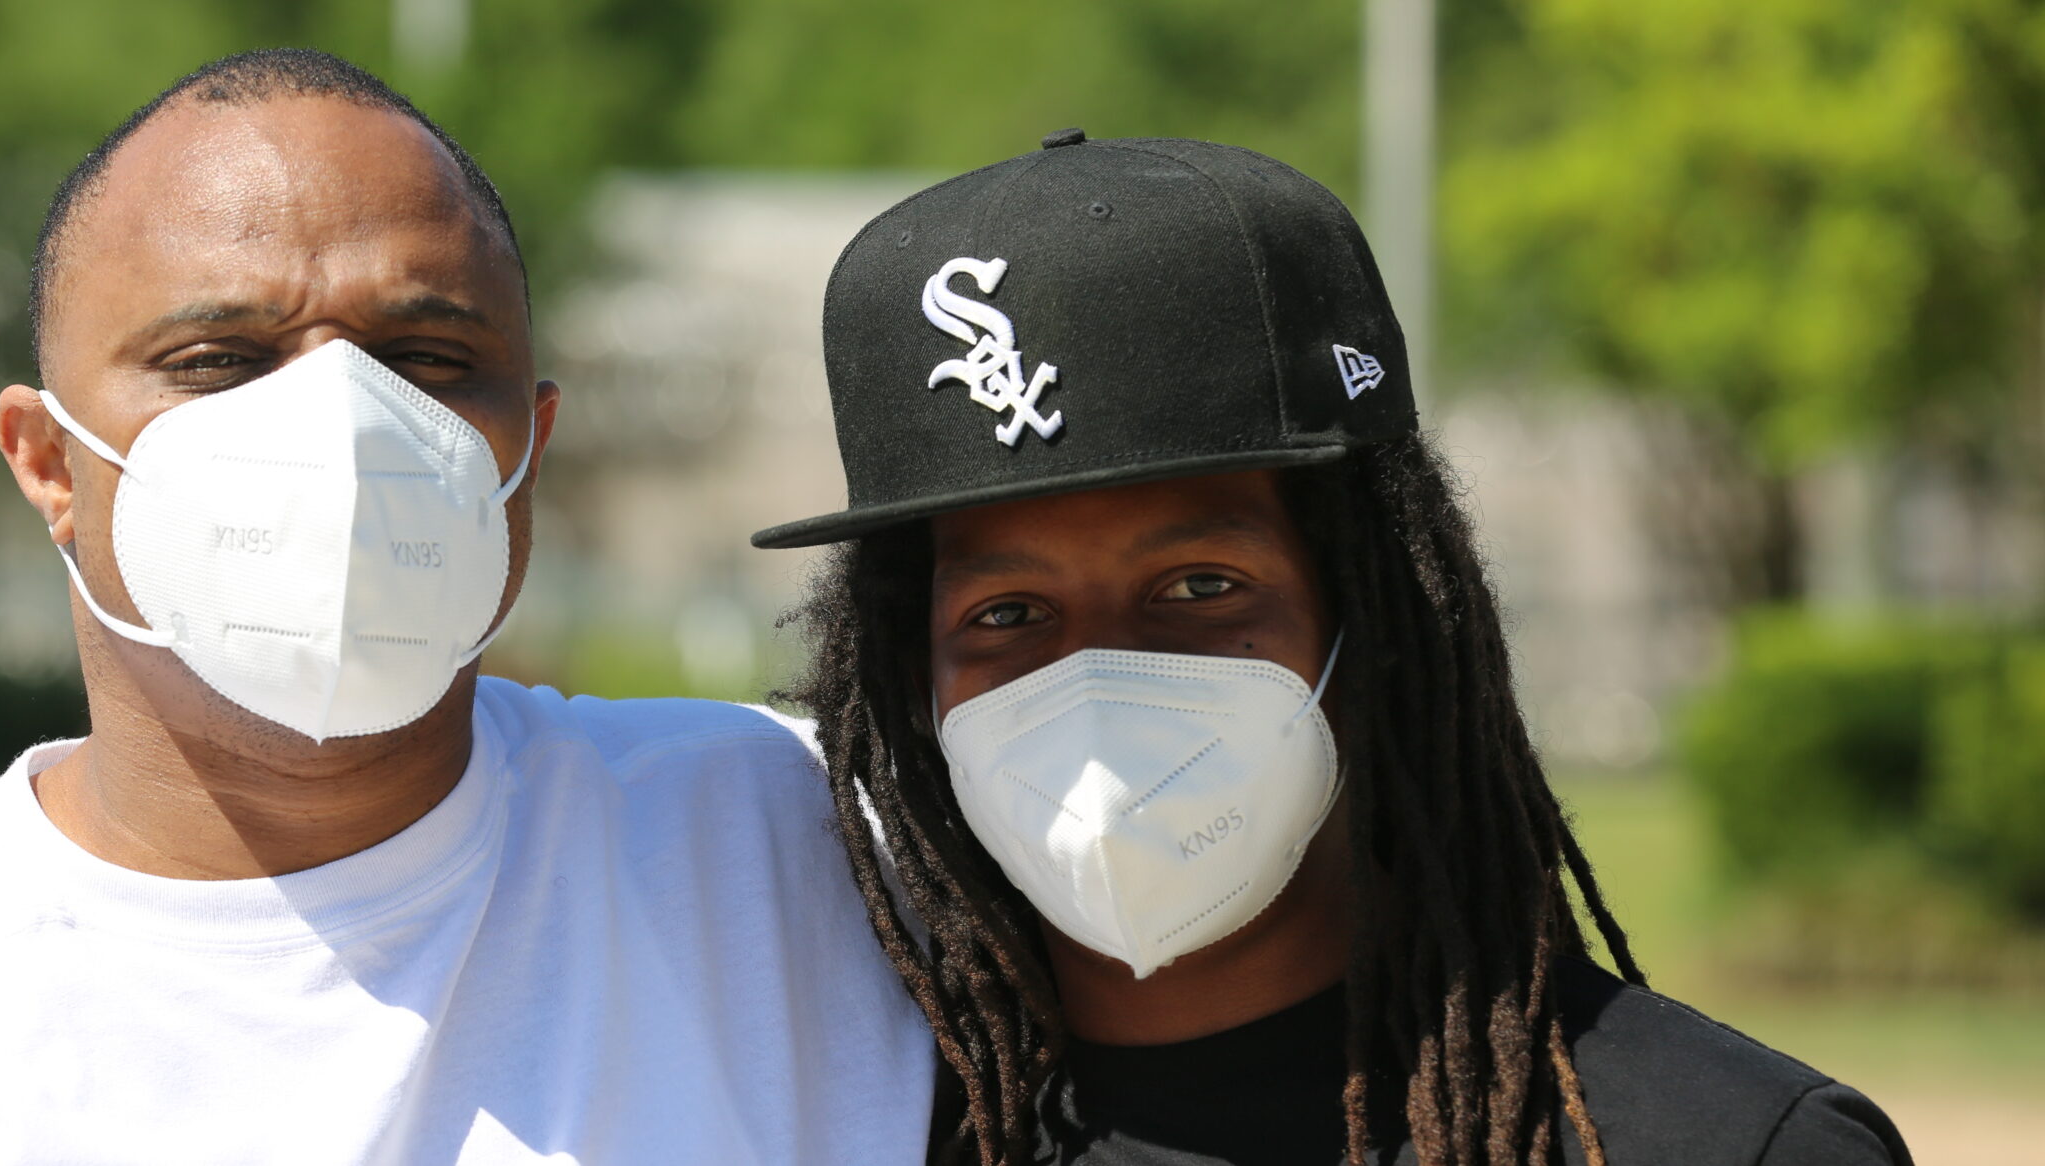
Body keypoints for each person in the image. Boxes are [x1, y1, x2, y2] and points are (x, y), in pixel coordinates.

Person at [0, 49, 934, 1164]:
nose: (342, 420)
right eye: (219, 356)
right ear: (48, 462)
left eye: (429, 357)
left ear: (529, 446)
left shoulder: (815, 863)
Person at [755, 130, 1912, 1166]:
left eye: (1198, 586)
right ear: (913, 680)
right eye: (1006, 613)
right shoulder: (852, 1134)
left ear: (1381, 620)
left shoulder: (1714, 1144)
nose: (1092, 680)